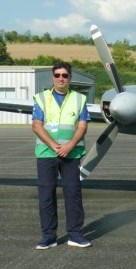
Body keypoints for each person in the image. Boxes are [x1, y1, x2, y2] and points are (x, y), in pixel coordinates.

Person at [32, 62, 91, 249]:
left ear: (70, 78)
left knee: (73, 193)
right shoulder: (41, 98)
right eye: (57, 75)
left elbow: (82, 125)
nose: (60, 78)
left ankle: (75, 234)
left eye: (64, 75)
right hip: (46, 153)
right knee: (46, 194)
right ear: (52, 77)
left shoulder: (79, 99)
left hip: (71, 154)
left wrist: (70, 145)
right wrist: (55, 145)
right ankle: (49, 236)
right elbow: (36, 125)